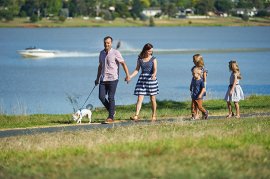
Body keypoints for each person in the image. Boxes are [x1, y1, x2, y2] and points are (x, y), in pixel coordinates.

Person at [95, 36, 130, 123]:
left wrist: (128, 75)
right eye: (105, 42)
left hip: (113, 78)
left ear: (111, 43)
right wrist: (97, 78)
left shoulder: (116, 52)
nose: (106, 44)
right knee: (101, 97)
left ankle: (111, 117)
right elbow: (100, 66)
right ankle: (112, 111)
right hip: (103, 78)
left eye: (108, 43)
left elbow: (123, 63)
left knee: (111, 97)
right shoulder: (101, 53)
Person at [129, 43, 159, 122]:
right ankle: (136, 115)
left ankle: (154, 115)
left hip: (151, 79)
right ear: (145, 50)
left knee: (152, 98)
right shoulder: (140, 59)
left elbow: (155, 69)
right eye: (149, 51)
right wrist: (130, 76)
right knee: (139, 98)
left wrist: (154, 74)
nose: (150, 52)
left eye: (151, 51)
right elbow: (136, 70)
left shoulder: (153, 59)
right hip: (142, 79)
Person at [191, 54, 208, 118]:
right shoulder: (194, 68)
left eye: (194, 60)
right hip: (195, 86)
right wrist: (191, 85)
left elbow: (204, 79)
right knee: (194, 101)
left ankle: (200, 114)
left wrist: (204, 88)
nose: (193, 62)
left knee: (198, 101)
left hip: (201, 86)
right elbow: (193, 77)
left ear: (198, 61)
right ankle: (196, 115)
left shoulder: (203, 69)